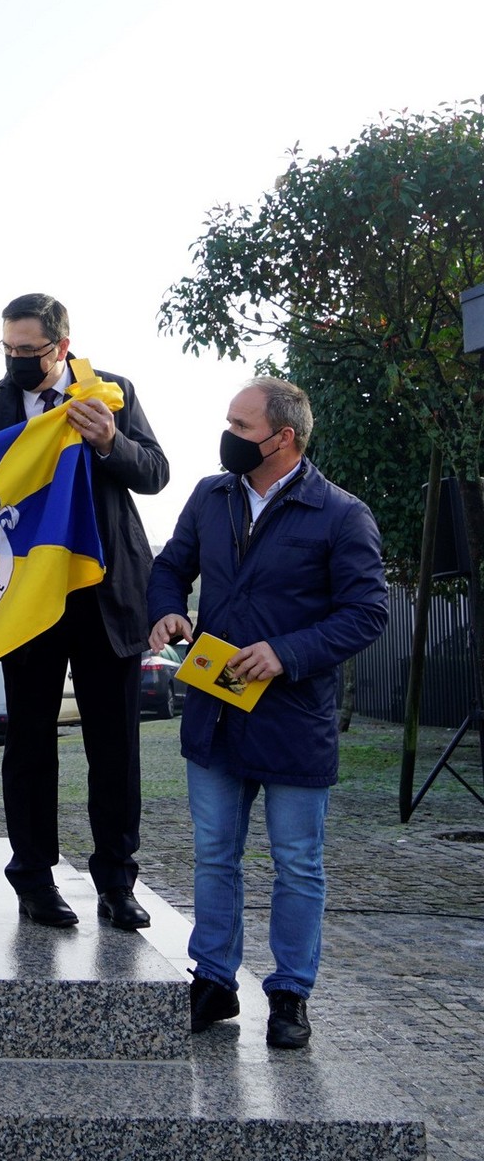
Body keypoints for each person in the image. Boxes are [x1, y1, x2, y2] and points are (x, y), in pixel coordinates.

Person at [147, 377, 386, 1049]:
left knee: (298, 863)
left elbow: (367, 613)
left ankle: (289, 995)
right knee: (213, 855)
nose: (228, 436)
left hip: (294, 721)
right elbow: (170, 567)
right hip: (216, 715)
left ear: (283, 437)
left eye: (240, 426)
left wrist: (286, 653)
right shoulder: (210, 496)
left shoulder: (342, 515)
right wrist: (166, 610)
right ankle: (213, 980)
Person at [0, 293, 168, 929]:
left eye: (30, 350)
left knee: (115, 747)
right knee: (27, 743)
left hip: (106, 594)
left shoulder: (110, 392)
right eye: (8, 349)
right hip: (26, 598)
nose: (17, 360)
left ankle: (117, 882)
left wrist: (110, 442)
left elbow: (155, 473)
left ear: (62, 347)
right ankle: (33, 879)